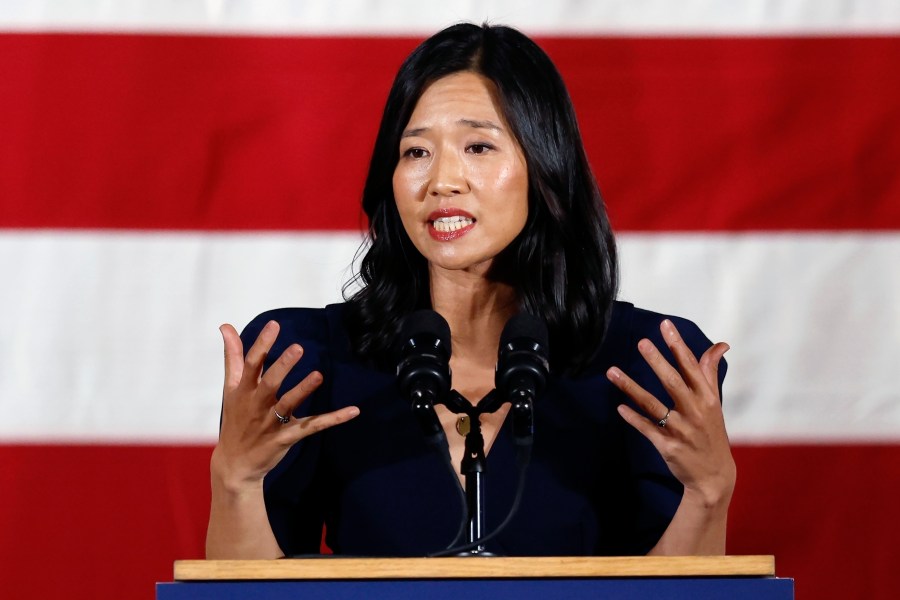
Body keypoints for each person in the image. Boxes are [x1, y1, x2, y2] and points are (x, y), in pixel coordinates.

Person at [205, 22, 735, 559]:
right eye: (416, 152)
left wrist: (708, 494)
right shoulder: (305, 359)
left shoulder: (646, 364)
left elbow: (676, 591)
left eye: (478, 146)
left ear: (544, 163)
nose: (442, 181)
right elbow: (247, 590)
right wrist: (235, 482)